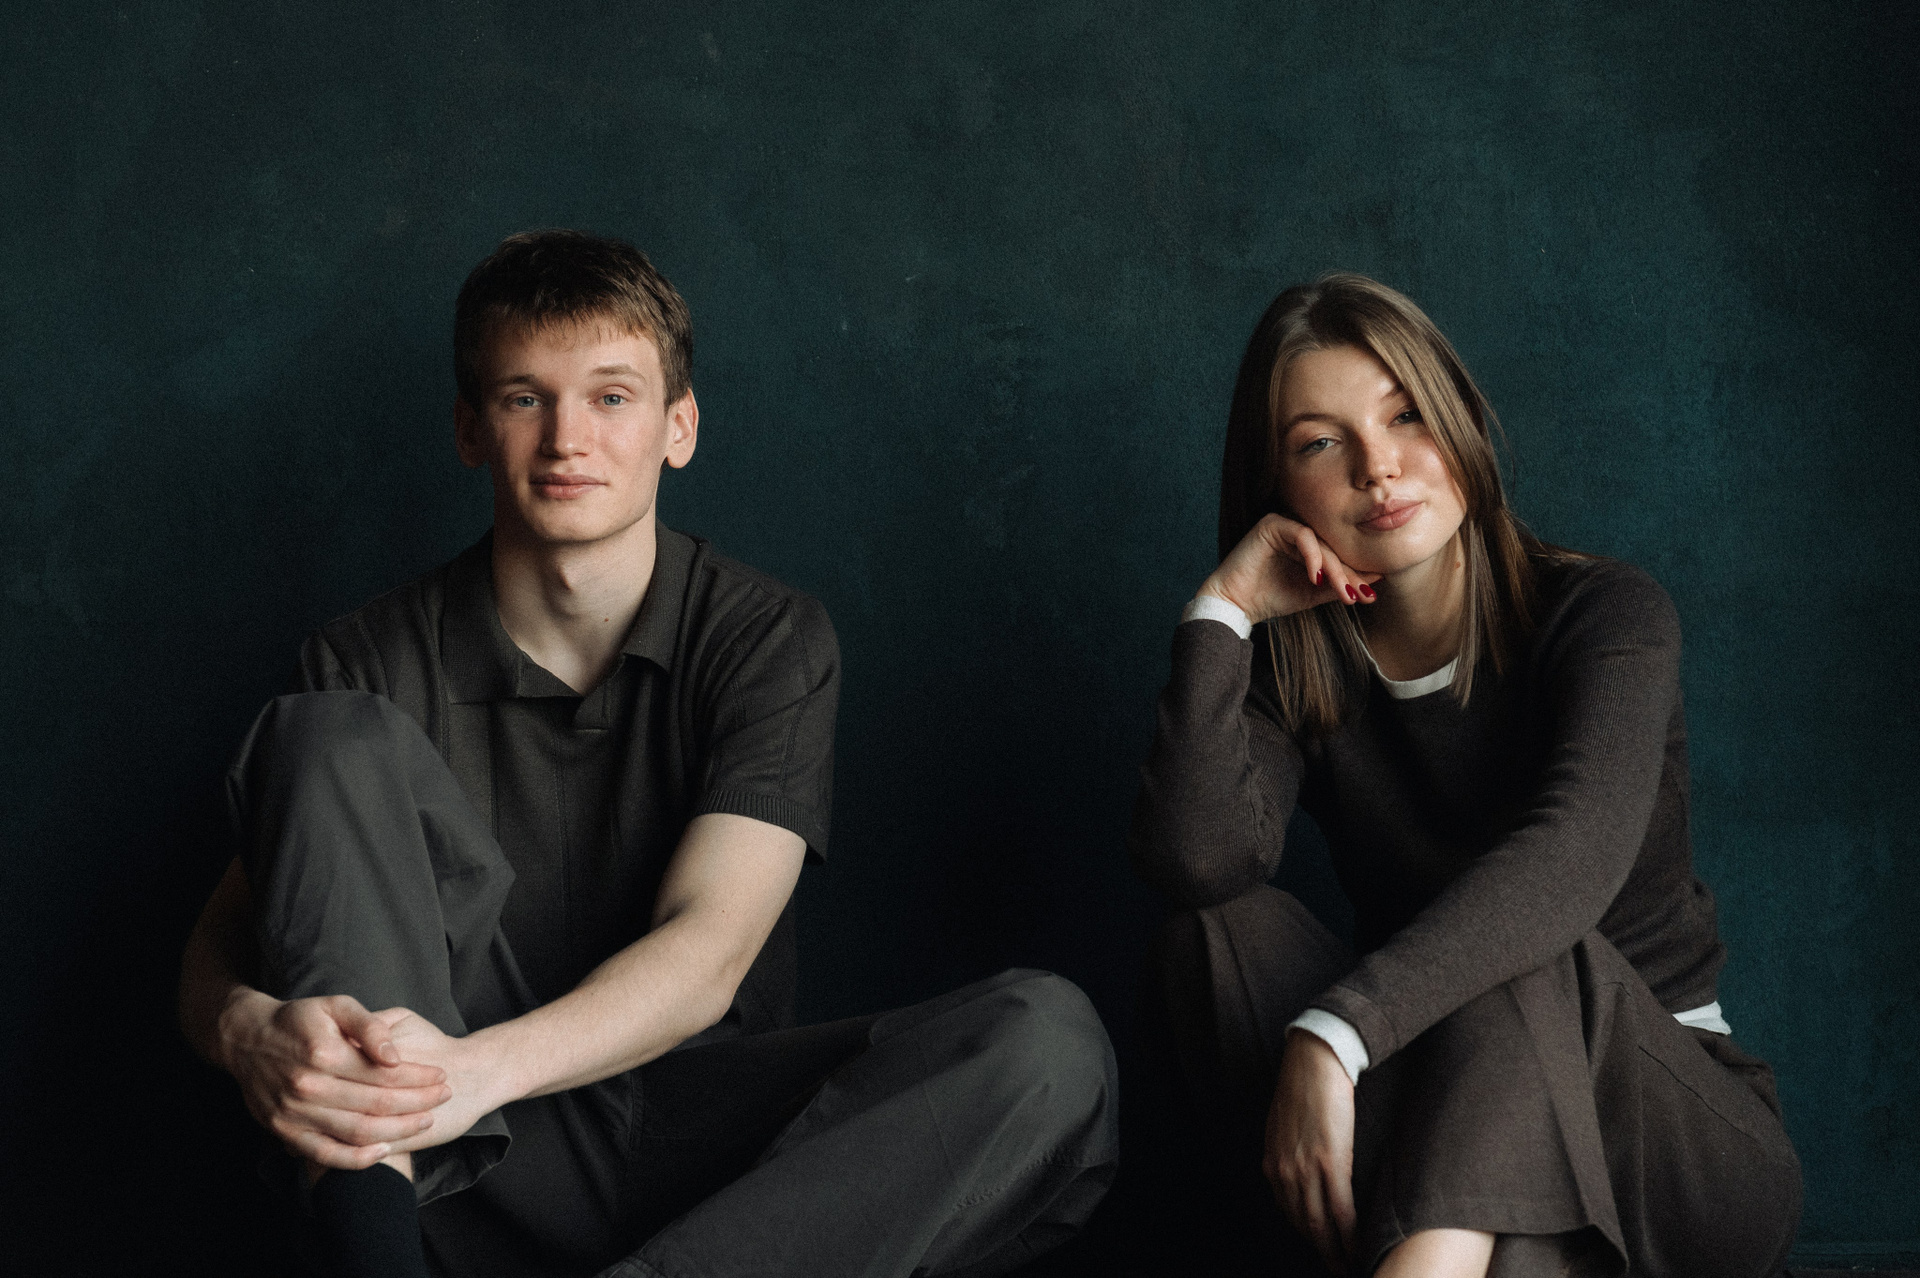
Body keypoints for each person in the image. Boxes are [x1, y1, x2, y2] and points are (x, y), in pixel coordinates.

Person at [178, 229, 1117, 1278]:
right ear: (470, 429)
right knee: (325, 734)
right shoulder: (364, 659)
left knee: (1049, 1046)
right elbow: (225, 944)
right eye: (525, 398)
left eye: (611, 397)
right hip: (454, 1156)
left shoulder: (766, 637)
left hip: (707, 1158)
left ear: (680, 427)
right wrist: (248, 1031)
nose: (566, 438)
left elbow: (708, 950)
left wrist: (477, 1071)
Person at [1130, 273, 1799, 1277]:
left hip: (1673, 1148)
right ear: (1279, 491)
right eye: (1320, 444)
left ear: (1462, 421)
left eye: (1404, 415)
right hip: (1444, 1106)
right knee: (1210, 936)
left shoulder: (1606, 614)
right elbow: (1195, 863)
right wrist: (1223, 613)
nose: (1378, 466)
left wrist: (1335, 1033)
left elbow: (1569, 863)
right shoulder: (1295, 673)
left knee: (1521, 939)